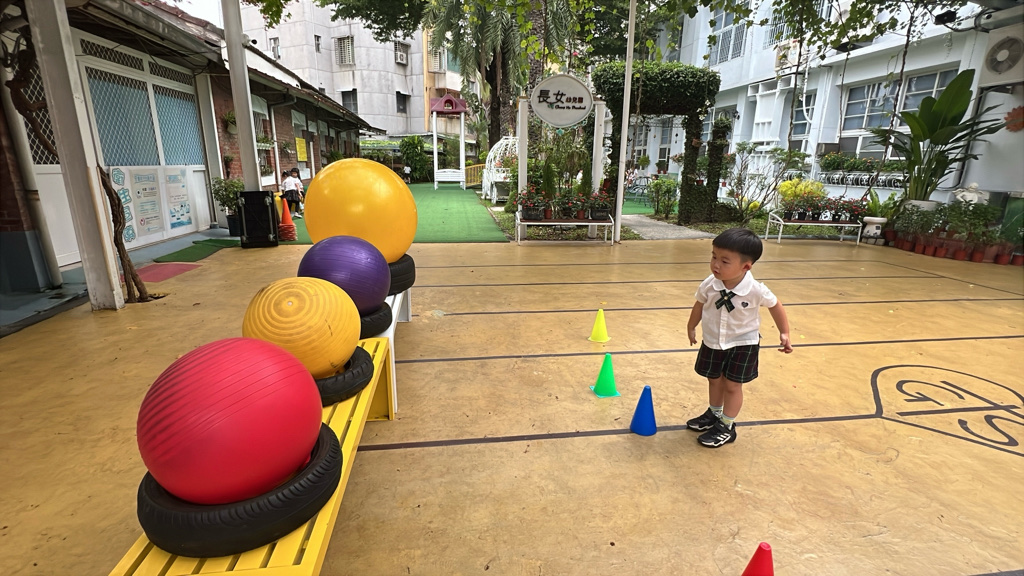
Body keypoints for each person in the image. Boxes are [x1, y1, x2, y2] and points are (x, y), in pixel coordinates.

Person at [685, 228, 793, 448]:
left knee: (733, 385)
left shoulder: (755, 290)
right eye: (714, 256)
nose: (716, 264)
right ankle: (715, 413)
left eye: (724, 261)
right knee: (714, 379)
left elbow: (775, 305)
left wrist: (784, 332)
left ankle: (727, 425)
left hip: (743, 343)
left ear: (746, 266)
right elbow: (699, 304)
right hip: (714, 340)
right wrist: (691, 326)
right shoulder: (709, 284)